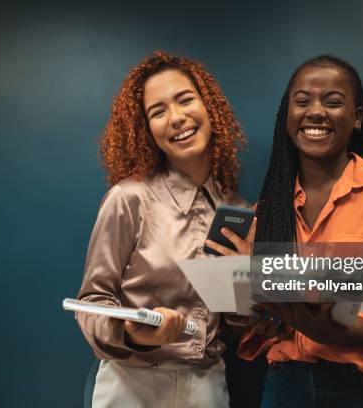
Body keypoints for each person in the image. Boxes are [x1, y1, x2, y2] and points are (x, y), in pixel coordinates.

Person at [237, 55, 363, 407]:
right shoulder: (265, 213)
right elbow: (255, 320)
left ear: (357, 117)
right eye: (302, 101)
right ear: (288, 115)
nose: (316, 111)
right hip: (287, 386)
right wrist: (246, 312)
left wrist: (321, 325)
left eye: (333, 102)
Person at [75, 50, 253, 408]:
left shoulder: (238, 211)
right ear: (146, 130)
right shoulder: (129, 198)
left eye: (185, 100)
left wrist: (245, 282)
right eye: (158, 111)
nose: (176, 118)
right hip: (132, 383)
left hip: (207, 383)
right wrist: (132, 334)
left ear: (209, 108)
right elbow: (91, 303)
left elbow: (236, 325)